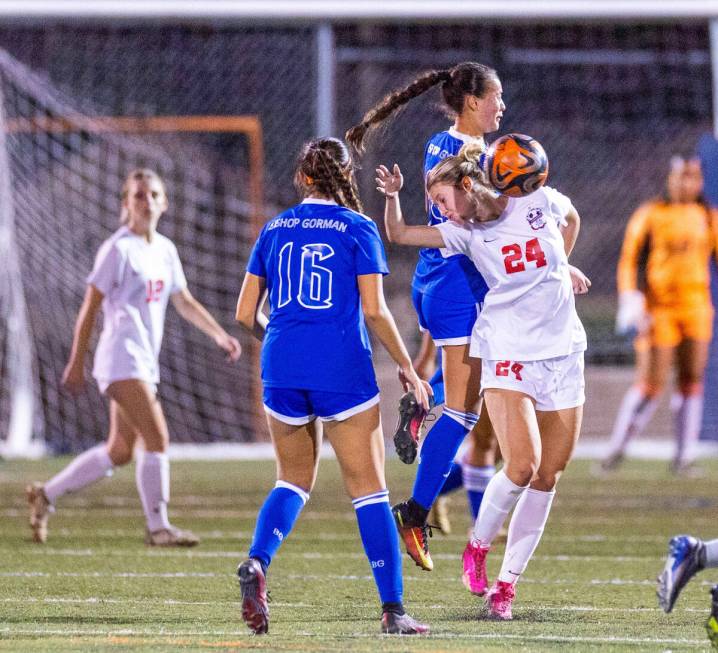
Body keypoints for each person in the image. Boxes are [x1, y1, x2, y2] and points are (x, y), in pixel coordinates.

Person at [375, 141, 589, 620]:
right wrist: (392, 196)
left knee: (549, 475)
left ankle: (506, 588)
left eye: (444, 201)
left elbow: (570, 217)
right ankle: (477, 548)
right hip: (507, 347)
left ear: (468, 185)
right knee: (522, 465)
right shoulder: (463, 233)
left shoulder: (534, 198)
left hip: (562, 349)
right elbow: (400, 234)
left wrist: (562, 265)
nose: (441, 212)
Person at [234, 137, 431, 636]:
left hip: (281, 364)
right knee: (368, 491)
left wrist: (281, 339)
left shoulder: (274, 228)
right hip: (340, 367)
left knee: (292, 480)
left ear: (302, 177)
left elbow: (243, 314)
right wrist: (407, 366)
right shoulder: (358, 227)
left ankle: (258, 562)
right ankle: (393, 610)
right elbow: (373, 309)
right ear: (347, 178)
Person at [26, 169, 241, 547]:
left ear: (165, 202)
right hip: (120, 358)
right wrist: (77, 360)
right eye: (139, 195)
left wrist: (220, 335)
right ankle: (158, 527)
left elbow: (184, 301)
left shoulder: (165, 250)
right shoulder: (117, 249)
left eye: (154, 195)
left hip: (144, 360)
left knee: (120, 451)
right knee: (157, 438)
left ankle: (45, 495)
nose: (147, 202)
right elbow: (89, 307)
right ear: (126, 203)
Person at [346, 62, 503, 569]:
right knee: (464, 412)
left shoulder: (440, 144)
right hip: (458, 283)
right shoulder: (473, 155)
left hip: (439, 279)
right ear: (473, 101)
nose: (502, 105)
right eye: (496, 96)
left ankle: (421, 406)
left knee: (468, 402)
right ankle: (414, 513)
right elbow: (477, 213)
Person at [603, 157, 717, 474]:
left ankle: (684, 456)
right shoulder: (651, 214)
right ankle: (617, 449)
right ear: (670, 178)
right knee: (650, 382)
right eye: (681, 177)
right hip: (659, 309)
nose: (686, 183)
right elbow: (630, 260)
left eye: (693, 177)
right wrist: (631, 300)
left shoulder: (707, 215)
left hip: (696, 308)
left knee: (692, 381)